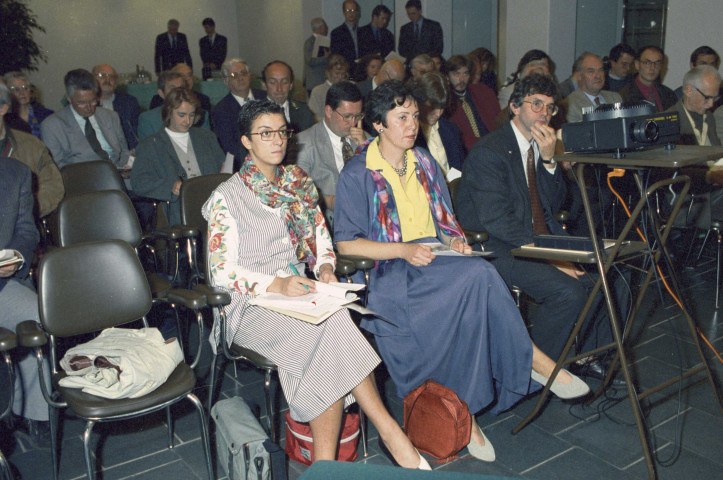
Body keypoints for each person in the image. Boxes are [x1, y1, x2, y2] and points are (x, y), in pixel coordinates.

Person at [334, 80, 590, 462]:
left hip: (433, 261)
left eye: (415, 116)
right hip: (387, 272)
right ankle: (530, 360)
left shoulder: (423, 162)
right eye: (401, 117)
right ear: (378, 125)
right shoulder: (358, 173)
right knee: (477, 277)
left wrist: (454, 242)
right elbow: (347, 245)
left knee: (478, 273)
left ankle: (465, 410)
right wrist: (403, 250)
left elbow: (445, 223)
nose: (412, 124)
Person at [202, 98, 430, 469]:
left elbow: (321, 238)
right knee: (329, 331)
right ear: (246, 141)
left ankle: (327, 466)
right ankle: (388, 431)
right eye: (265, 134)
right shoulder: (227, 198)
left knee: (334, 322)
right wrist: (278, 284)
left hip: (298, 294)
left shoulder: (297, 182)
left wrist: (324, 267)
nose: (277, 141)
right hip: (248, 305)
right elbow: (221, 274)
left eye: (281, 131)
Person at [456, 74, 625, 384]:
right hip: (495, 245)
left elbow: (555, 204)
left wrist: (549, 162)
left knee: (607, 274)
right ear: (514, 108)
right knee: (568, 291)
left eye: (549, 108)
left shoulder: (539, 147)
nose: (544, 114)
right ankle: (537, 372)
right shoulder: (490, 151)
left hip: (534, 236)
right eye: (536, 105)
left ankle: (585, 354)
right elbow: (496, 220)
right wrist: (550, 256)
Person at [0, 156, 49, 448]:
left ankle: (32, 412)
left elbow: (26, 230)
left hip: (3, 283)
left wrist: (16, 257)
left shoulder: (16, 171)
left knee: (37, 318)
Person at [131, 88, 224, 226]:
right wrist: (171, 186)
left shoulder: (207, 137)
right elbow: (139, 183)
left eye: (191, 115)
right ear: (168, 112)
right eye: (181, 115)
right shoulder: (150, 144)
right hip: (177, 210)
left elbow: (223, 168)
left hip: (213, 205)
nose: (187, 120)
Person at [297, 81, 366, 226]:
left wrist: (366, 150)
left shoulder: (365, 139)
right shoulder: (304, 143)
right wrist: (326, 201)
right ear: (329, 111)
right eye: (347, 116)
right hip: (327, 222)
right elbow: (298, 194)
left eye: (357, 116)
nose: (353, 123)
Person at [41, 69, 130, 171]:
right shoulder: (52, 126)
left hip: (119, 174)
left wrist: (125, 167)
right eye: (81, 103)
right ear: (69, 98)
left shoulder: (111, 116)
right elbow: (56, 167)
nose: (89, 107)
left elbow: (124, 151)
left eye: (93, 101)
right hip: (82, 180)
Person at [0, 81, 64, 218]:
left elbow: (53, 187)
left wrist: (22, 212)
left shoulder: (31, 146)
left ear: (3, 109)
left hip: (21, 229)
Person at [211, 58, 266, 171]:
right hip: (243, 166)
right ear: (226, 81)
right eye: (234, 75)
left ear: (249, 76)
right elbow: (229, 147)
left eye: (243, 73)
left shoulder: (265, 98)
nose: (240, 78)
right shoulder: (221, 110)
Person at [411, 72, 465, 177]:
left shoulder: (451, 130)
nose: (438, 113)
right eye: (432, 108)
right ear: (418, 102)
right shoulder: (409, 134)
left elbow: (461, 168)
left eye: (442, 107)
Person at [444, 55, 499, 152]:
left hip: (491, 145)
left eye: (465, 74)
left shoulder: (482, 92)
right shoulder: (445, 101)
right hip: (467, 150)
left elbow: (496, 123)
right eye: (457, 74)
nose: (461, 79)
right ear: (447, 77)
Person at [138, 71, 210, 141]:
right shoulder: (148, 120)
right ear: (161, 93)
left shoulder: (201, 115)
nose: (178, 93)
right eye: (172, 89)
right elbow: (148, 149)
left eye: (181, 88)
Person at [666, 65, 721, 146]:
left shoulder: (709, 117)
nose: (711, 104)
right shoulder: (669, 122)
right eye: (707, 97)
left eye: (715, 98)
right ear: (689, 91)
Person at [561, 53, 623, 123]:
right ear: (579, 76)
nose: (598, 76)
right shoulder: (569, 106)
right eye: (591, 71)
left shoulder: (615, 98)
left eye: (600, 70)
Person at [92, 64, 140, 150]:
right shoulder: (87, 104)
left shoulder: (129, 102)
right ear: (92, 80)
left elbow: (134, 133)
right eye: (102, 75)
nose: (107, 79)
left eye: (111, 76)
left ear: (116, 81)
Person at [619, 45, 677, 112]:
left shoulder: (669, 94)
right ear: (637, 65)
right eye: (647, 63)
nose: (652, 68)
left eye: (657, 63)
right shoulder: (624, 95)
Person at [262, 60, 315, 133]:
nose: (279, 89)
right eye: (273, 82)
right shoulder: (254, 114)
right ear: (264, 85)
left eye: (284, 82)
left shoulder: (303, 111)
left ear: (291, 85)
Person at [3, 71, 53, 139]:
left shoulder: (47, 115)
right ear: (7, 93)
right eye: (16, 89)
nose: (22, 92)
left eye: (25, 88)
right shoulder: (4, 120)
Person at [308, 54, 350, 121]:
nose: (340, 77)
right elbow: (314, 117)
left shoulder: (350, 88)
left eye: (343, 74)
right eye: (337, 73)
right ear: (329, 72)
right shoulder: (318, 91)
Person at [330, 0, 362, 65]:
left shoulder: (363, 32)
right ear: (344, 12)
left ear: (357, 12)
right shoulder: (337, 33)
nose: (351, 13)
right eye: (348, 10)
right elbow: (336, 55)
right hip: (345, 70)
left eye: (353, 10)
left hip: (361, 70)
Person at [304, 18, 331, 93]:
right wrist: (325, 58)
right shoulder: (310, 42)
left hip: (322, 80)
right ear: (321, 28)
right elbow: (310, 61)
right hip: (314, 81)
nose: (327, 29)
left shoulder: (324, 41)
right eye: (326, 27)